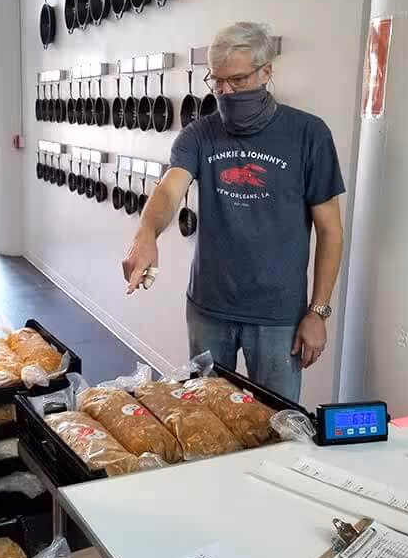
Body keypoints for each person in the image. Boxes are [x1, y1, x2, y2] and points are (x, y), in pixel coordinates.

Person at [122, 22, 345, 402]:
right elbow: (169, 189)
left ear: (266, 72)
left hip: (278, 317)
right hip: (209, 308)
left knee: (277, 427)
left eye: (238, 80)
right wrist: (146, 233)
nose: (226, 92)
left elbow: (330, 232)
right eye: (218, 81)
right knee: (204, 420)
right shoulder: (199, 134)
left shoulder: (309, 135)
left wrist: (318, 312)